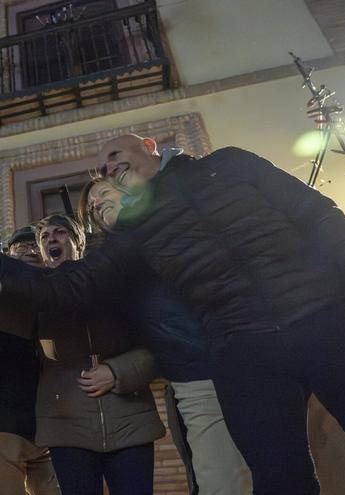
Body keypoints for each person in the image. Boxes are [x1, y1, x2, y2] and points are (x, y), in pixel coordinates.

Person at [0, 136, 345, 494]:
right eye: (101, 172)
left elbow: (317, 214)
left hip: (325, 319)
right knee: (280, 479)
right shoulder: (134, 229)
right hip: (244, 347)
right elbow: (74, 285)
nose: (108, 170)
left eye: (114, 155)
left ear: (150, 147)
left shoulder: (231, 163)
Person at [0, 214, 165, 495]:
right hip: (65, 430)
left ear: (79, 241)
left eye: (60, 232)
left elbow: (157, 346)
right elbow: (2, 311)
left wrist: (117, 372)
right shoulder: (34, 300)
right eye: (45, 236)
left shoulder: (113, 282)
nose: (52, 240)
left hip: (129, 421)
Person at [78, 177, 251, 495]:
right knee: (216, 478)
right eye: (90, 207)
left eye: (103, 193)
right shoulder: (112, 265)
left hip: (246, 359)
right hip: (192, 376)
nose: (96, 205)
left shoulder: (174, 228)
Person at [0, 226, 61, 495]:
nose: (30, 250)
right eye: (20, 247)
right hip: (0, 421)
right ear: (6, 255)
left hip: (48, 424)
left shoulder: (52, 290)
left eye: (34, 246)